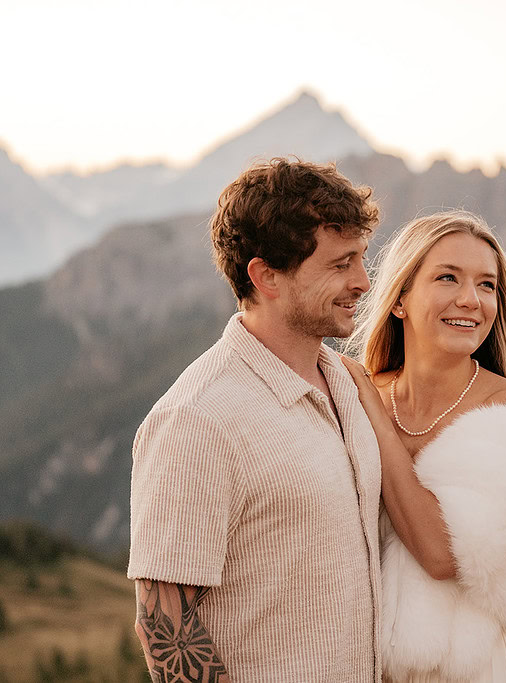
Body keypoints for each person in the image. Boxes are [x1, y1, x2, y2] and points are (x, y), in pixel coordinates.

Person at [127, 158, 384, 682]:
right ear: (266, 276)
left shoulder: (347, 382)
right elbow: (164, 629)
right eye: (340, 264)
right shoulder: (196, 420)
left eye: (361, 258)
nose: (362, 281)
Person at [340, 210, 506, 682]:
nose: (471, 300)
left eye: (487, 285)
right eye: (448, 278)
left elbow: (443, 556)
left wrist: (372, 416)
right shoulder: (356, 394)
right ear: (399, 299)